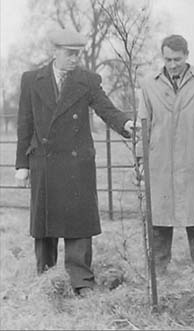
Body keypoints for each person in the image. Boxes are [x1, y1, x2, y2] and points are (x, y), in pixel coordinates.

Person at [14, 28, 137, 296]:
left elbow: (106, 108)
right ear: (54, 52)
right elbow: (25, 123)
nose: (74, 59)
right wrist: (21, 164)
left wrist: (126, 124)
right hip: (44, 162)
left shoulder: (87, 80)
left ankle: (81, 279)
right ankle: (47, 276)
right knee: (45, 224)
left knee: (79, 222)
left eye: (77, 54)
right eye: (69, 54)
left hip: (75, 163)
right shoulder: (31, 80)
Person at [137, 34, 194, 274]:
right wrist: (140, 158)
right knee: (160, 218)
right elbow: (143, 121)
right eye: (167, 59)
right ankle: (159, 270)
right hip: (160, 160)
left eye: (176, 59)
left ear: (187, 55)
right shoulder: (148, 84)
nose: (172, 64)